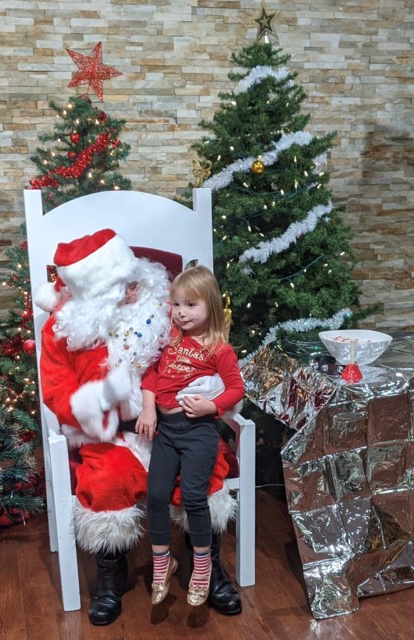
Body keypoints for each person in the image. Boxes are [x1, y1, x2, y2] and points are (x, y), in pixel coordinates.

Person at [34, 229, 242, 625]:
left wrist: (209, 396)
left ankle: (208, 566)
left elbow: (207, 349)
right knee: (108, 480)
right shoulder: (65, 330)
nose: (132, 292)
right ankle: (111, 578)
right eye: (120, 287)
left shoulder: (166, 309)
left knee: (206, 473)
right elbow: (58, 390)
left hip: (174, 424)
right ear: (94, 295)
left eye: (133, 281)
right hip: (110, 435)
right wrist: (95, 403)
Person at [137, 265, 245, 607]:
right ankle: (161, 561)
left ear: (210, 307)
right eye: (177, 304)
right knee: (155, 496)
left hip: (198, 432)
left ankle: (201, 566)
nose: (182, 312)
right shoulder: (169, 338)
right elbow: (151, 374)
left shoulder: (219, 349)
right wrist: (148, 408)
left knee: (194, 498)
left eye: (191, 305)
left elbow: (236, 390)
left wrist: (211, 407)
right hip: (166, 431)